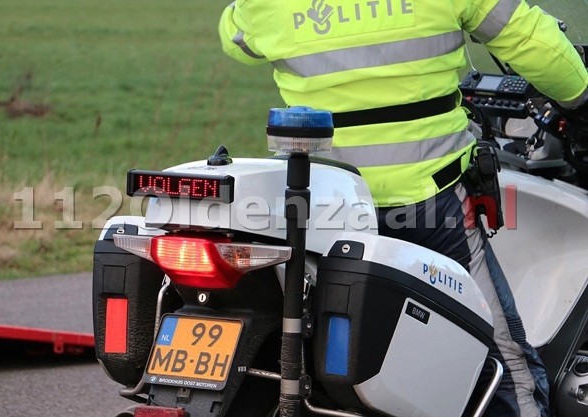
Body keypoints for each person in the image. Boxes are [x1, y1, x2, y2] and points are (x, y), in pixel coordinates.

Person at [219, 0, 588, 416]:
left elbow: (237, 39)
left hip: (327, 205)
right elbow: (533, 40)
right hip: (429, 199)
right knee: (499, 355)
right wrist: (581, 94)